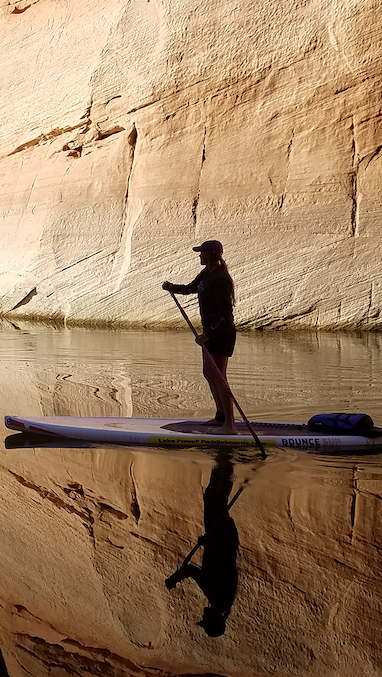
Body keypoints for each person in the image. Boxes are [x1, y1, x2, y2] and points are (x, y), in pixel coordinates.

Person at [162, 239, 237, 434]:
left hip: (221, 334)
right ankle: (220, 417)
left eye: (201, 253)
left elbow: (225, 316)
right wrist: (172, 287)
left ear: (210, 255)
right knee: (208, 372)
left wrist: (208, 334)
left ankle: (230, 426)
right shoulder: (207, 274)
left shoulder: (220, 279)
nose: (199, 256)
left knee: (220, 377)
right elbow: (190, 288)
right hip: (210, 334)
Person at [164, 451, 240, 637]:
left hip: (223, 537)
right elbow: (193, 570)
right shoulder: (218, 597)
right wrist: (173, 579)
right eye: (206, 619)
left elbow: (209, 569)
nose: (203, 615)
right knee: (216, 499)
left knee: (212, 498)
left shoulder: (222, 601)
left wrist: (208, 545)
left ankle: (222, 463)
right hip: (220, 536)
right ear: (214, 619)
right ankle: (226, 461)